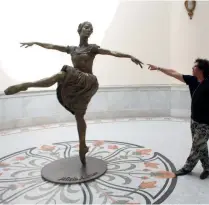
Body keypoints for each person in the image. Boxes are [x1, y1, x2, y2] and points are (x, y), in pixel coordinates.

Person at [4, 21, 143, 165]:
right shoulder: (72, 49)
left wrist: (129, 56)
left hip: (88, 81)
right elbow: (52, 46)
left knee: (62, 74)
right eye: (86, 27)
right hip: (76, 84)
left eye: (91, 29)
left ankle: (28, 85)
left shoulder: (92, 49)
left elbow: (111, 52)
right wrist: (35, 42)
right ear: (80, 30)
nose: (89, 30)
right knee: (79, 115)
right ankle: (82, 146)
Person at [147, 58, 209, 179]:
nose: (192, 68)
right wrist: (158, 68)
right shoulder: (192, 80)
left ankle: (187, 167)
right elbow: (174, 73)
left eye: (194, 67)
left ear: (201, 70)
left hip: (207, 122)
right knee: (201, 145)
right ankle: (207, 168)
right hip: (194, 120)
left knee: (197, 145)